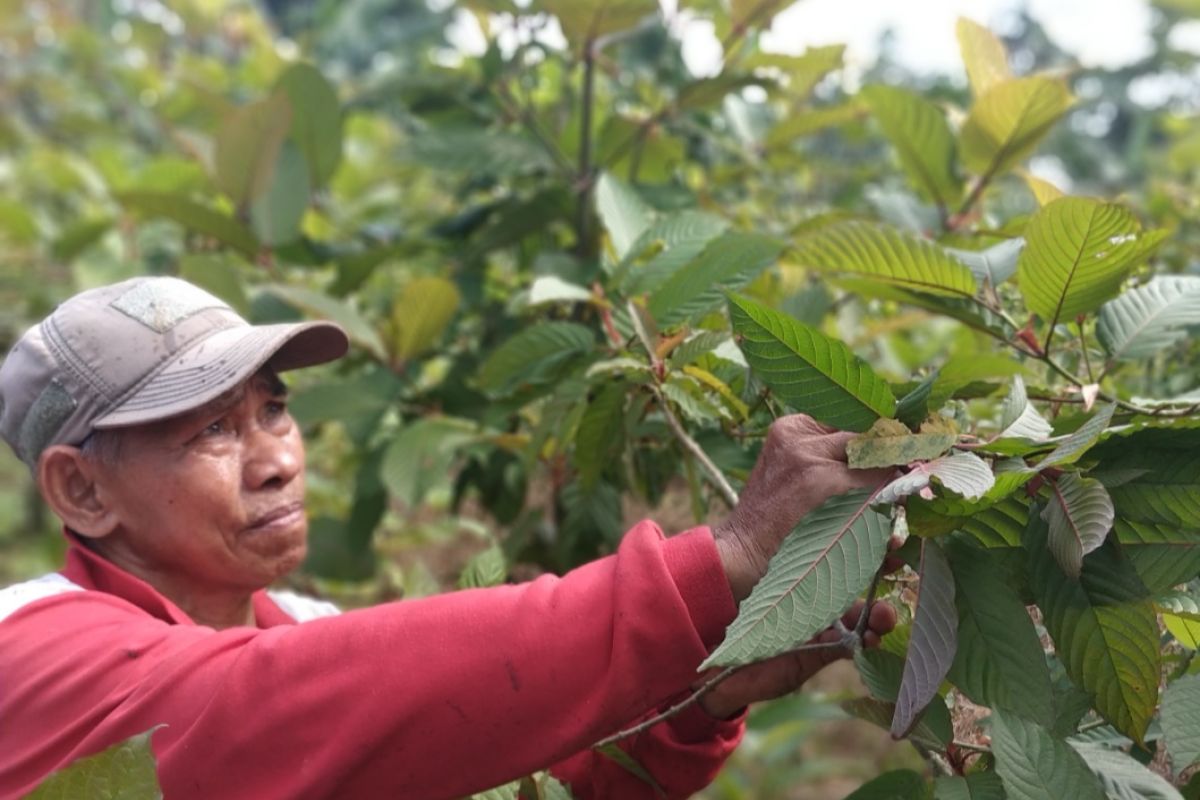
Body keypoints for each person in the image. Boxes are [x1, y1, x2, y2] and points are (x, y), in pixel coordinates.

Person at [0, 276, 895, 799]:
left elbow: (543, 774)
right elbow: (261, 709)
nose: (274, 459)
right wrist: (718, 565)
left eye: (272, 410)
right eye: (210, 431)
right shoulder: (28, 647)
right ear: (80, 490)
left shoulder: (301, 625)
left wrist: (700, 693)